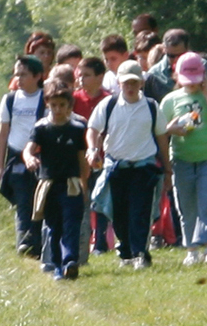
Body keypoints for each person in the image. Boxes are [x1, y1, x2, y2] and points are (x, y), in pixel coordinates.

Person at [87, 60, 172, 269]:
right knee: (118, 214)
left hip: (144, 169)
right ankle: (125, 251)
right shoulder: (108, 105)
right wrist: (92, 149)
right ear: (119, 83)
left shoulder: (151, 107)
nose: (131, 87)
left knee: (140, 213)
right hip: (116, 168)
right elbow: (93, 129)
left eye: (135, 82)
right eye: (126, 83)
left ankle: (140, 253)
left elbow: (162, 138)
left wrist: (168, 169)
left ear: (142, 82)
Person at [161, 52, 207, 266]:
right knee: (187, 206)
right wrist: (171, 130)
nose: (192, 85)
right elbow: (161, 132)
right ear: (177, 76)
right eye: (187, 81)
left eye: (196, 80)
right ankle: (191, 249)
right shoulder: (170, 100)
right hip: (182, 159)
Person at [23, 80, 88, 280]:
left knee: (72, 224)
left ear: (69, 106)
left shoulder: (77, 129)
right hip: (49, 184)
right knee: (53, 227)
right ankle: (58, 266)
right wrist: (29, 158)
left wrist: (84, 183)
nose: (58, 109)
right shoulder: (42, 128)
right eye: (53, 105)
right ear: (47, 105)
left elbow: (82, 158)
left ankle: (70, 262)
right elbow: (29, 148)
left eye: (62, 105)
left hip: (71, 184)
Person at [0, 55, 47, 257]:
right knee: (22, 200)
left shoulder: (46, 99)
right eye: (17, 74)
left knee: (40, 200)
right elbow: (2, 133)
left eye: (24, 74)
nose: (19, 78)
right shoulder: (9, 100)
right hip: (16, 158)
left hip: (40, 159)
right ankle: (24, 241)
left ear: (37, 76)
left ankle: (38, 242)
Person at [73, 57, 113, 257]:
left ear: (100, 77)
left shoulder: (109, 100)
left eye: (87, 75)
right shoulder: (73, 100)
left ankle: (101, 242)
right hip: (80, 160)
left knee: (101, 200)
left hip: (105, 158)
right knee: (82, 201)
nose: (81, 79)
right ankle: (83, 240)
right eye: (79, 75)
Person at [145, 29, 207, 102]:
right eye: (171, 56)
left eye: (180, 55)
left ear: (188, 48)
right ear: (164, 49)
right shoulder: (154, 75)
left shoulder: (203, 67)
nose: (176, 60)